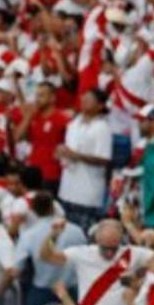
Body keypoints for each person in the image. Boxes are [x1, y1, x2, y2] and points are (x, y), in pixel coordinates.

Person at [13, 191, 86, 305]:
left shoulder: (30, 234)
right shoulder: (76, 230)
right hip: (70, 290)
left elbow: (17, 267)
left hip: (43, 290)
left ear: (34, 211)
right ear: (53, 207)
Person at [57, 88, 113, 229]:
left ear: (100, 106)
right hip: (67, 188)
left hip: (87, 193)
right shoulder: (74, 123)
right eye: (83, 98)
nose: (83, 101)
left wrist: (76, 156)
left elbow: (104, 159)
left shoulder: (102, 128)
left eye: (89, 100)